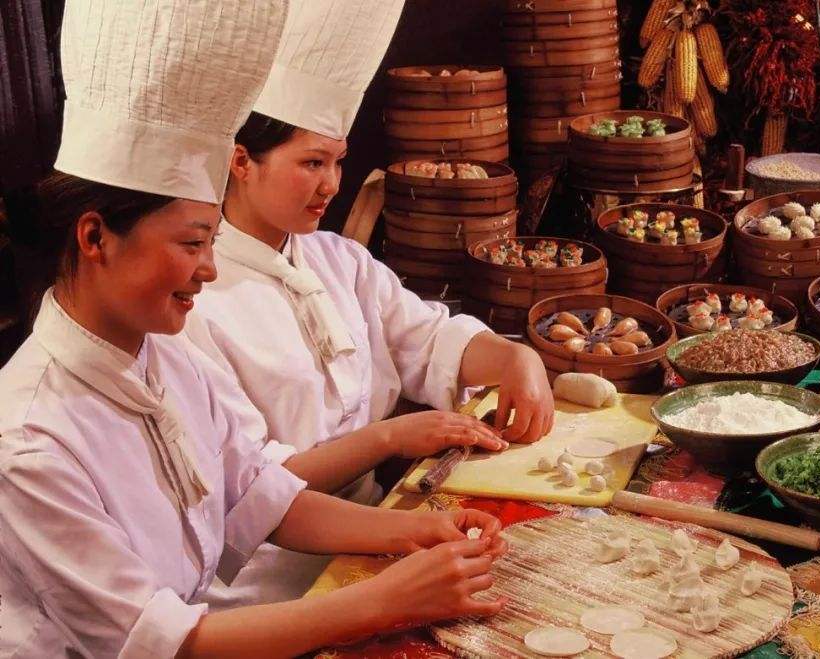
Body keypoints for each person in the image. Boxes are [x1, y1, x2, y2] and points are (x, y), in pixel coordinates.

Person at [0, 2, 505, 656]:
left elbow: (265, 499)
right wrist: (386, 599)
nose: (209, 268)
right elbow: (165, 641)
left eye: (213, 240)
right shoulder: (27, 443)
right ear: (95, 236)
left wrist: (410, 534)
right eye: (191, 243)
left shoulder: (163, 360)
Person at [183, 0, 554, 608]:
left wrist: (518, 363)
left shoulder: (336, 258)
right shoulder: (195, 300)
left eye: (337, 163)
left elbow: (431, 338)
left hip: (381, 531)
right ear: (240, 161)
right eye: (311, 163)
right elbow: (251, 492)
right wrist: (388, 439)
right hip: (271, 581)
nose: (331, 185)